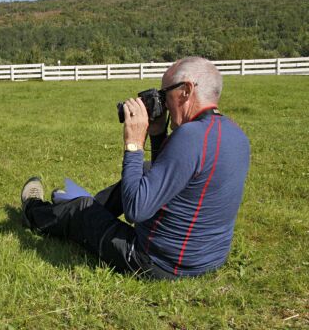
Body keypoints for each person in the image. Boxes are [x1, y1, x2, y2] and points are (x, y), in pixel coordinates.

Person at [20, 57, 250, 279]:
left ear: (186, 90)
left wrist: (134, 144)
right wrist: (158, 134)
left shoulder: (190, 136)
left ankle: (35, 210)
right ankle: (87, 209)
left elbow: (136, 210)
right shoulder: (233, 132)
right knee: (148, 169)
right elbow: (171, 173)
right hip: (207, 258)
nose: (164, 103)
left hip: (158, 262)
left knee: (81, 209)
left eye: (165, 93)